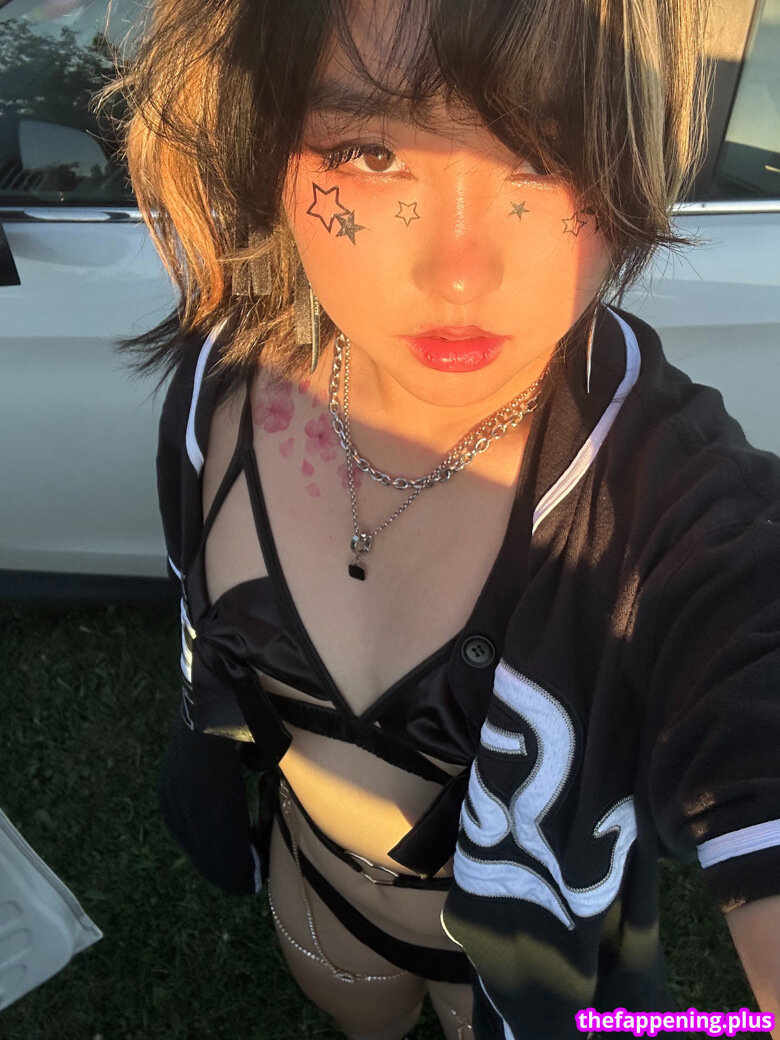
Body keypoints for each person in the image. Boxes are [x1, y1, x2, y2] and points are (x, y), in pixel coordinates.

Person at [97, 0, 780, 1036]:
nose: (461, 271)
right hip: (317, 908)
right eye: (371, 152)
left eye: (546, 153)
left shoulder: (673, 508)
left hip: (528, 983)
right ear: (264, 136)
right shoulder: (218, 389)